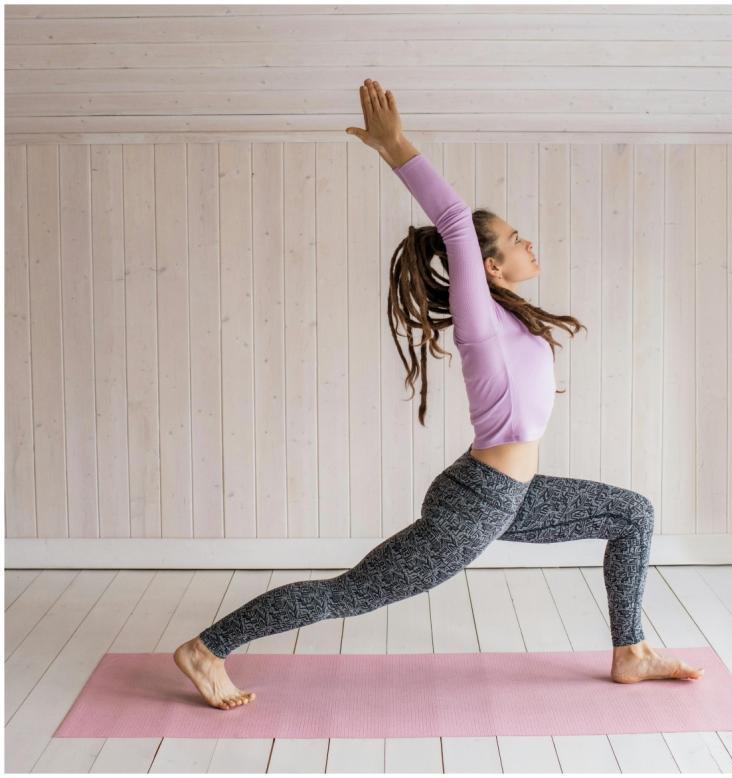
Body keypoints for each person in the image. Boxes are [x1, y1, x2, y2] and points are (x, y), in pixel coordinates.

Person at [174, 78, 704, 710]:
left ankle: (632, 652)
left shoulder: (510, 319)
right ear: (488, 267)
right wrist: (395, 146)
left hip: (513, 496)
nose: (527, 242)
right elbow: (453, 219)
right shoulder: (480, 320)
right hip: (478, 502)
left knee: (633, 514)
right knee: (352, 593)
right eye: (514, 239)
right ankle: (206, 649)